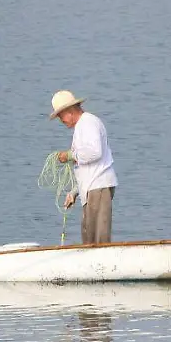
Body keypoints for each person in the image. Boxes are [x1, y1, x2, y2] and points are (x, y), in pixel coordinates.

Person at [49, 90, 118, 244]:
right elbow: (85, 167)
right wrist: (74, 192)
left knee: (99, 240)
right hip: (92, 188)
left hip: (99, 185)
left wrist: (69, 155)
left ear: (70, 111)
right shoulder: (82, 126)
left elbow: (95, 152)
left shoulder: (88, 123)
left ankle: (102, 265)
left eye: (60, 116)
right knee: (89, 236)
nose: (61, 120)